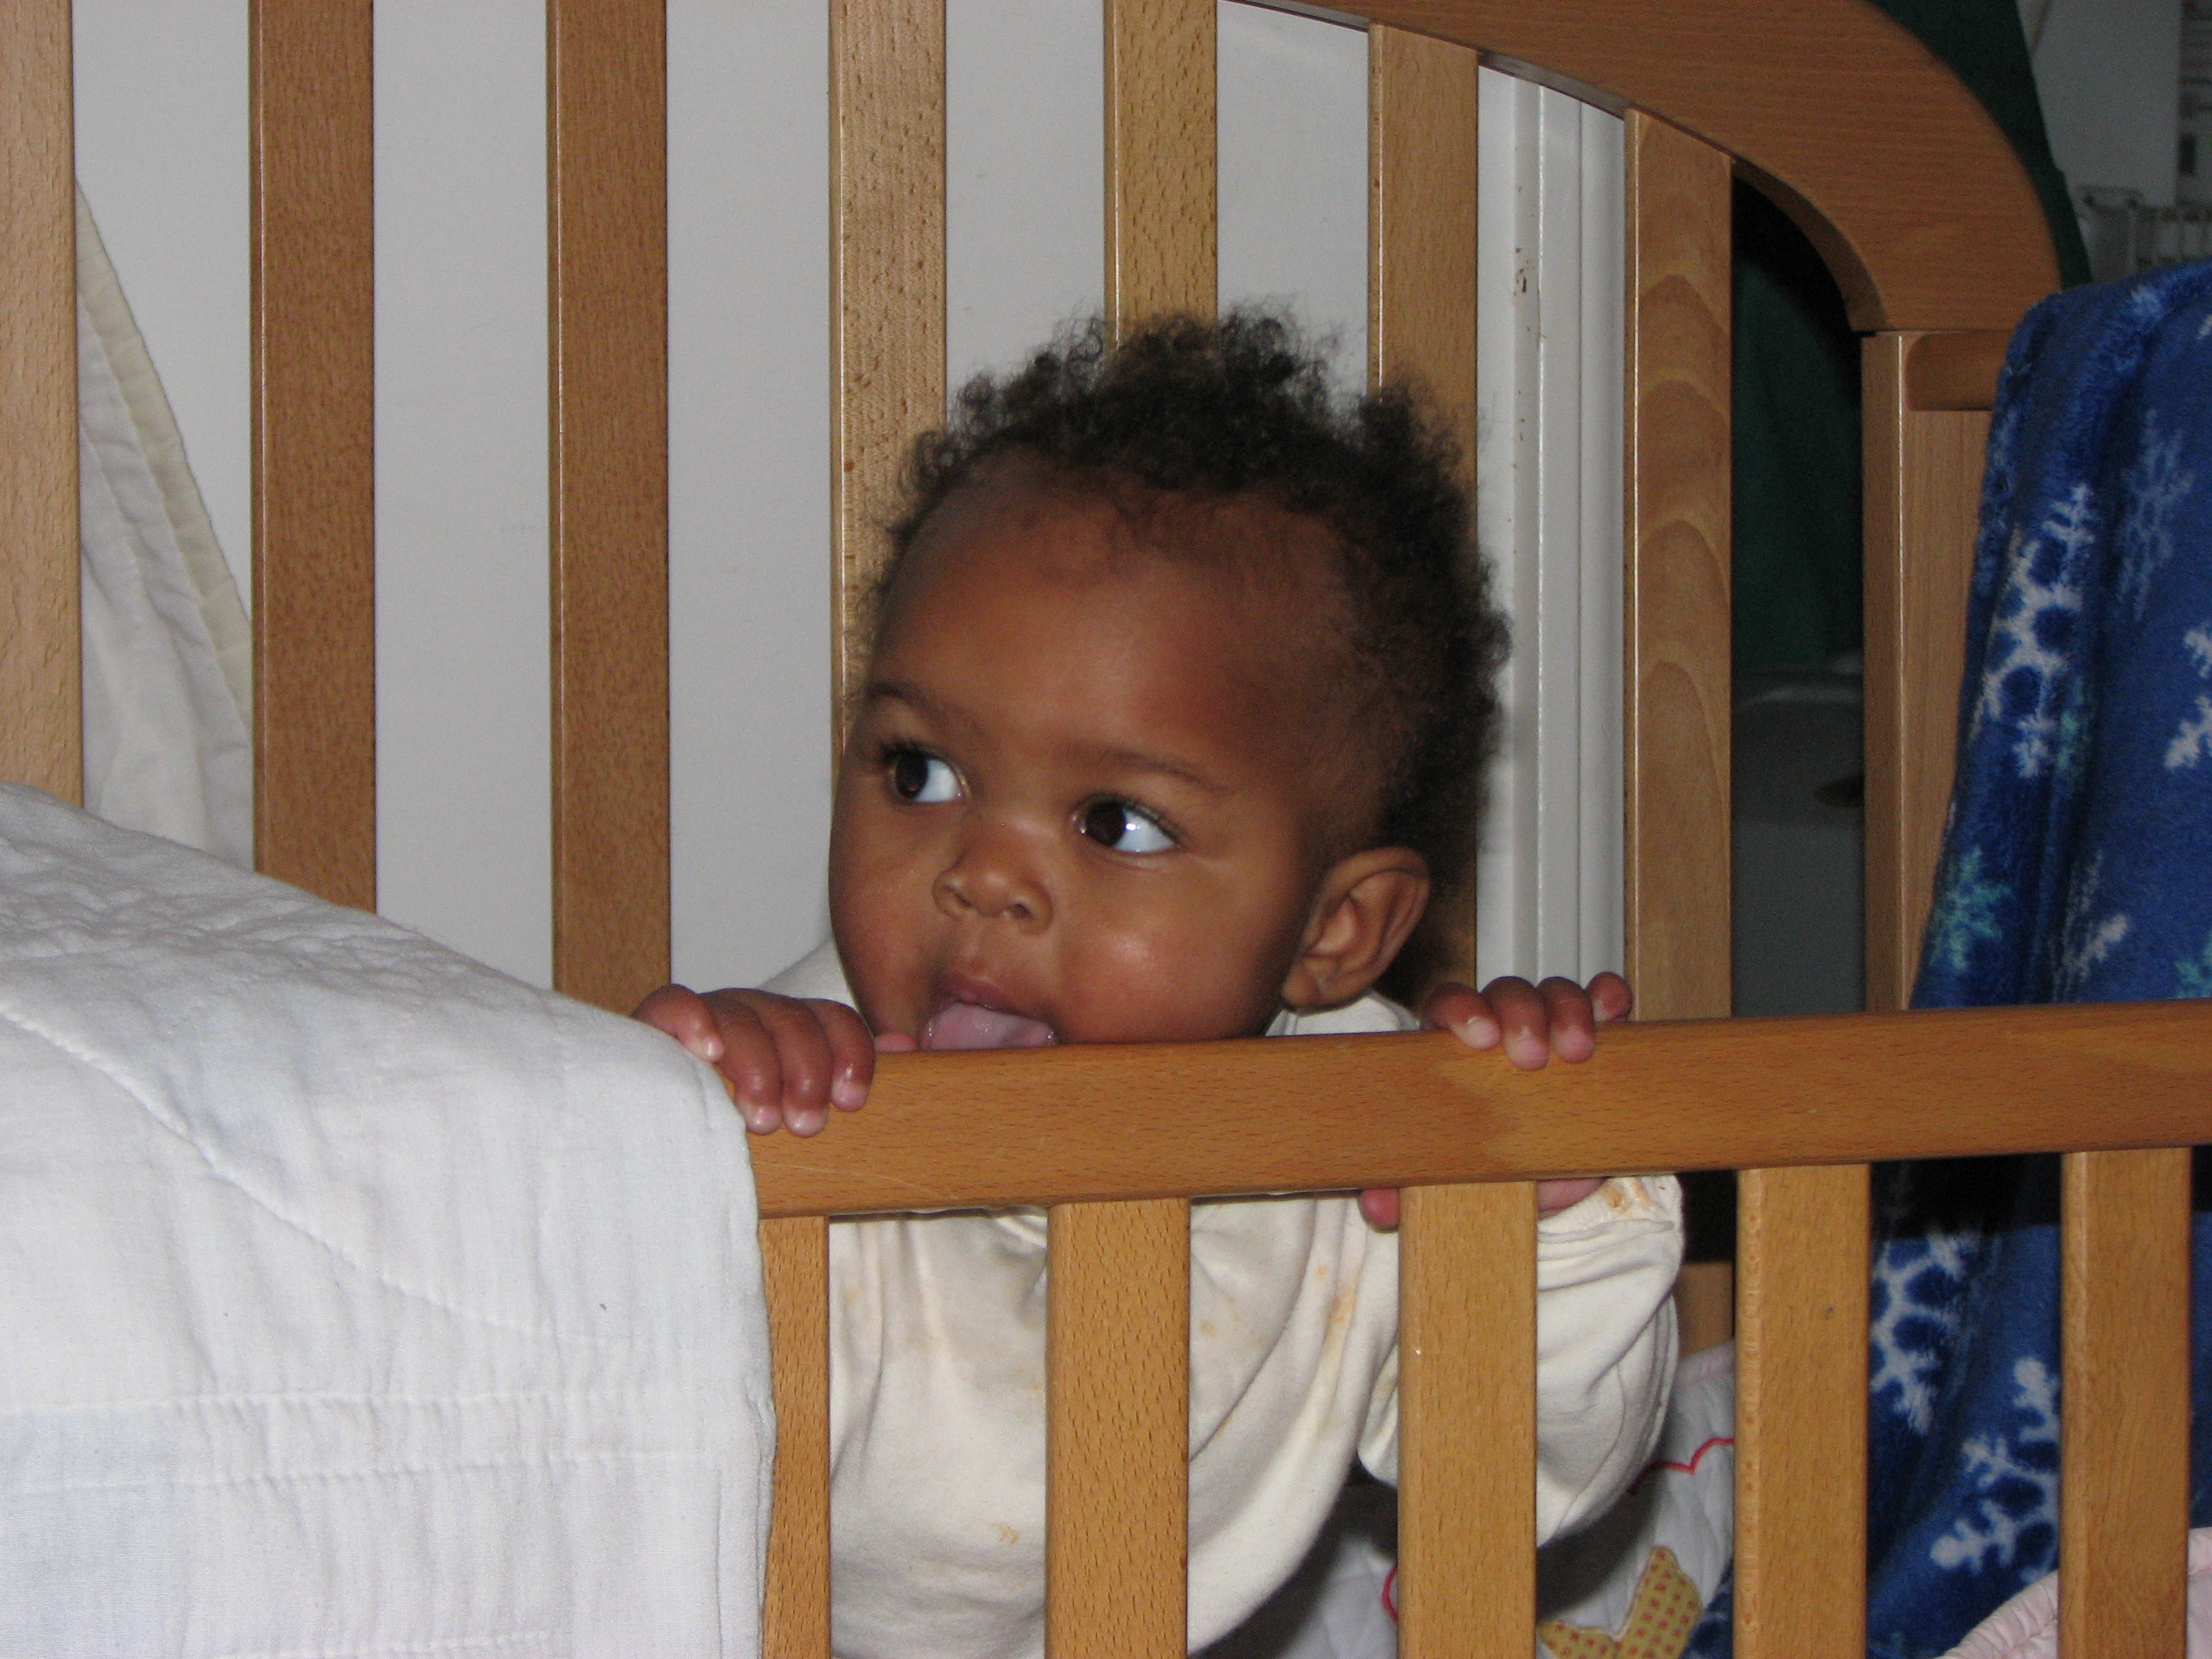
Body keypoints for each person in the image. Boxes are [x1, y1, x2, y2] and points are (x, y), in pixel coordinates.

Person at [637, 314, 1683, 1656]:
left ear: (1337, 930)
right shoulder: (800, 1102)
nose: (982, 876)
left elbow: (1525, 1478)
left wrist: (1544, 1206)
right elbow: (563, 1432)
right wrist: (661, 1132)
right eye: (919, 770)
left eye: (1116, 823)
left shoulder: (1367, 1144)